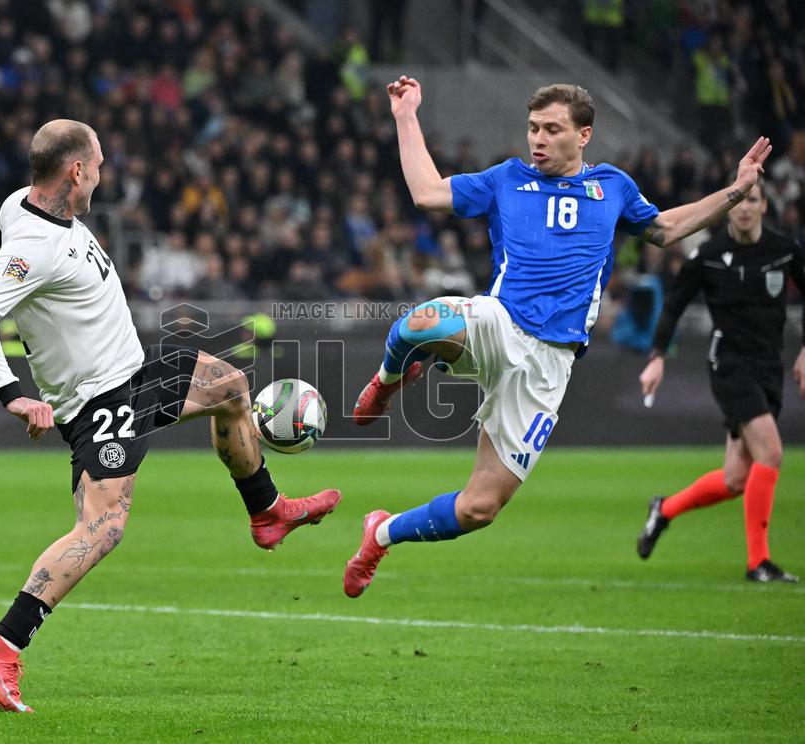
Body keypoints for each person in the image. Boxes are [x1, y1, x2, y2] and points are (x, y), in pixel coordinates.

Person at [0, 120, 341, 712]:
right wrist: (13, 395)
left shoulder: (16, 210)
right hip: (97, 401)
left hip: (133, 376)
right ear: (75, 170)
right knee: (102, 527)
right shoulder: (36, 245)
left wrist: (22, 285)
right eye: (98, 164)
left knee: (230, 386)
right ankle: (1, 645)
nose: (103, 173)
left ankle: (267, 511)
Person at [343, 77, 772, 598]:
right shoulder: (506, 178)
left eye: (551, 129)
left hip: (549, 365)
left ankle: (381, 533)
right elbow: (427, 192)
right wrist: (406, 115)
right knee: (420, 322)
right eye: (533, 128)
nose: (538, 139)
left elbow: (666, 228)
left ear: (583, 135)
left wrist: (736, 189)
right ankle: (386, 383)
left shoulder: (612, 187)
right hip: (501, 323)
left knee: (479, 508)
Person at [636, 183, 805, 582]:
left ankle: (665, 509)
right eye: (739, 200)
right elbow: (673, 307)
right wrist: (657, 358)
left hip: (769, 366)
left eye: (752, 200)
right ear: (728, 208)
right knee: (771, 453)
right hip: (729, 364)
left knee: (736, 479)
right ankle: (758, 562)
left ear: (764, 205)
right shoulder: (707, 256)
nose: (744, 208)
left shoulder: (784, 250)